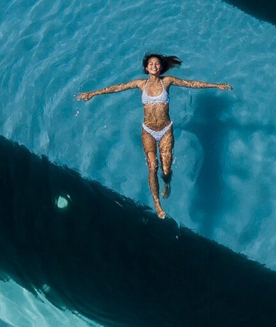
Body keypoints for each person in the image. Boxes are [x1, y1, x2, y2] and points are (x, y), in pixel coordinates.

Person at [77, 54, 232, 219]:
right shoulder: (140, 84)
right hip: (148, 131)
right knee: (153, 166)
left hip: (166, 131)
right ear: (146, 68)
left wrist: (216, 85)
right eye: (151, 63)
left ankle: (166, 183)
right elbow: (118, 87)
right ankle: (157, 203)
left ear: (161, 67)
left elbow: (190, 83)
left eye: (157, 63)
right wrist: (93, 93)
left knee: (166, 170)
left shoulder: (167, 81)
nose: (154, 65)